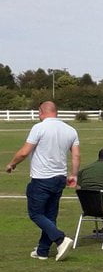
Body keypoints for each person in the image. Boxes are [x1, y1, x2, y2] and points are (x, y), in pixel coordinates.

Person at [5, 100, 80, 260]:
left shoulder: (39, 128)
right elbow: (76, 155)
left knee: (36, 214)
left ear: (41, 112)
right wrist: (74, 174)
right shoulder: (70, 130)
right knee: (50, 215)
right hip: (60, 178)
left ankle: (60, 239)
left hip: (41, 179)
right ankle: (42, 251)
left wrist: (12, 163)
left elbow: (24, 152)